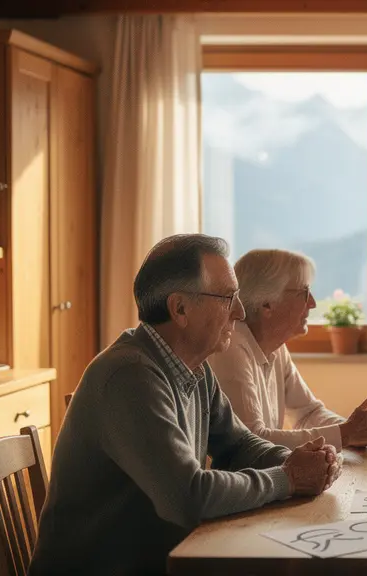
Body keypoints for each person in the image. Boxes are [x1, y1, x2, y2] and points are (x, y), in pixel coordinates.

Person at [30, 235, 342, 576]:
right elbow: (189, 496)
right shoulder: (129, 376)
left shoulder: (193, 366)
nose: (239, 312)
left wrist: (300, 462)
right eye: (228, 298)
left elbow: (238, 444)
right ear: (180, 309)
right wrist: (288, 479)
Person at [208, 248, 367, 450]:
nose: (312, 303)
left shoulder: (276, 347)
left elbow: (308, 413)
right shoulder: (231, 347)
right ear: (267, 304)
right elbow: (252, 441)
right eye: (304, 292)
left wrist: (354, 431)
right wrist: (347, 434)